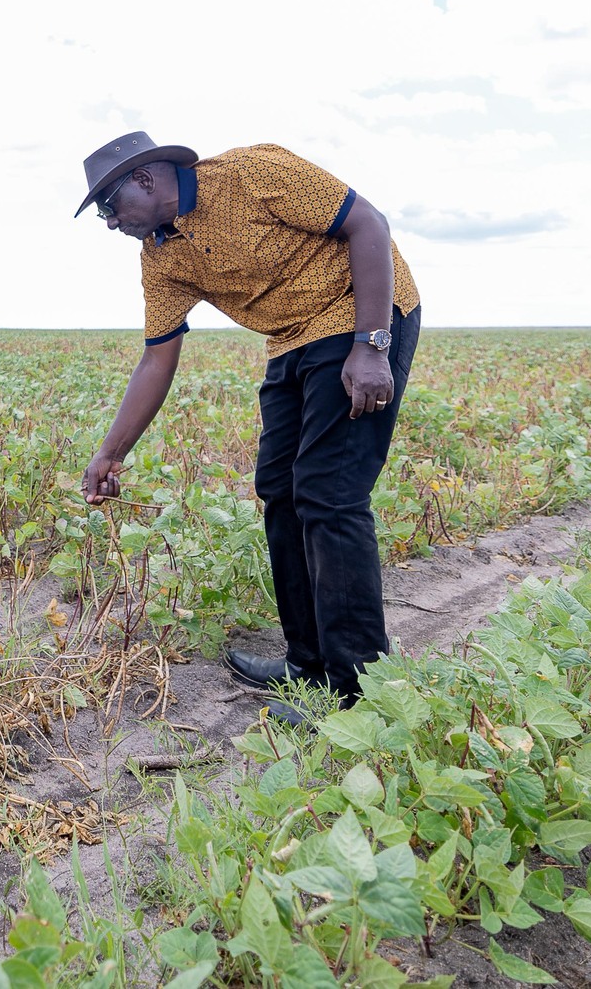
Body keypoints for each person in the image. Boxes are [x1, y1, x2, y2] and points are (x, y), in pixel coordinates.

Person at [73, 131, 421, 723]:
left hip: (359, 314)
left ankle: (359, 691)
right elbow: (158, 356)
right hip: (292, 340)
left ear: (147, 180)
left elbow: (370, 224)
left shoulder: (251, 174)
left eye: (110, 205)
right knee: (280, 491)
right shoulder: (161, 256)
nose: (109, 222)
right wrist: (112, 452)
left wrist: (371, 346)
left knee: (328, 493)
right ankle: (309, 665)